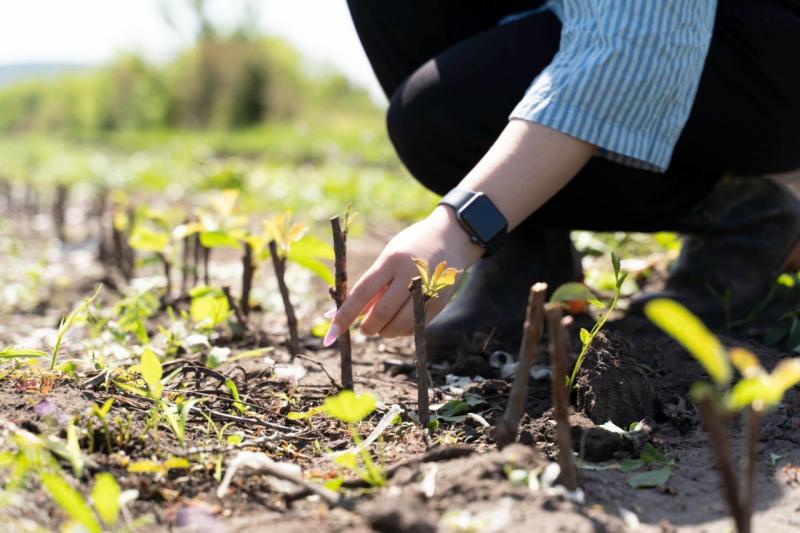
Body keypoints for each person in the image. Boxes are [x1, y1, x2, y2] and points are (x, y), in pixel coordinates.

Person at [322, 0, 800, 356]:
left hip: (757, 43)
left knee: (436, 116)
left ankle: (748, 211)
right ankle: (528, 254)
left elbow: (629, 45)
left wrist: (462, 224)